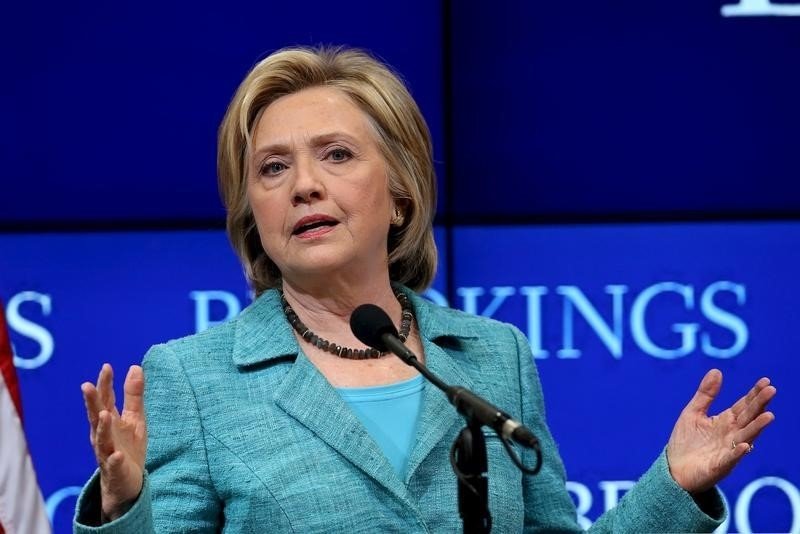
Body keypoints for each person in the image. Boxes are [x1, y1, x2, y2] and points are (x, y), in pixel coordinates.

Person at [73, 46, 776, 533]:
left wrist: (672, 487)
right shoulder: (194, 379)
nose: (305, 184)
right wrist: (125, 506)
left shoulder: (493, 359)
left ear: (401, 194)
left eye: (337, 155)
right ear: (253, 213)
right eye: (272, 169)